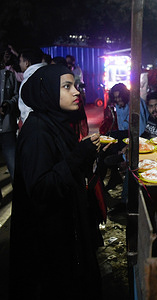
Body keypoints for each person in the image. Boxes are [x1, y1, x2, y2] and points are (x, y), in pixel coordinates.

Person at [9, 64, 104, 299]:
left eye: (75, 85)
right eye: (67, 86)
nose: (76, 92)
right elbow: (41, 189)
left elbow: (66, 167)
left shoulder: (56, 123)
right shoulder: (38, 133)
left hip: (63, 229)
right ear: (48, 91)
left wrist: (88, 154)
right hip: (47, 241)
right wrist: (77, 156)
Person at [0, 60, 20, 183]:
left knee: (13, 165)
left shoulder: (10, 75)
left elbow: (16, 96)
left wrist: (8, 103)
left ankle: (19, 197)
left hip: (7, 126)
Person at [18, 47, 46, 125]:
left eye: (20, 61)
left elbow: (25, 110)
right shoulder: (49, 75)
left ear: (27, 63)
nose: (19, 64)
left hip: (34, 127)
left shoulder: (28, 81)